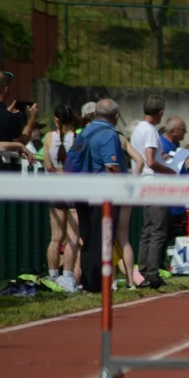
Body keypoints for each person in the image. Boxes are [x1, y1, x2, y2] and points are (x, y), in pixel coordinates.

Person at [72, 99, 127, 293]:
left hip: (81, 191)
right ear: (116, 117)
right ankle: (97, 284)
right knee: (102, 238)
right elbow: (111, 165)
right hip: (102, 193)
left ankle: (88, 282)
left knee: (87, 237)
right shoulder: (109, 134)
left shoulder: (85, 132)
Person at [130, 95, 176, 289]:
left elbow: (148, 156)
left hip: (143, 183)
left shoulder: (138, 129)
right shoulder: (150, 131)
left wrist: (161, 157)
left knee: (148, 229)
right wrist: (169, 169)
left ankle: (144, 271)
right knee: (157, 230)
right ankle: (151, 273)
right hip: (153, 184)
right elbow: (149, 161)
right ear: (161, 113)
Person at [42, 105, 81, 282]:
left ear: (56, 120)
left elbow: (48, 166)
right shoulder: (79, 138)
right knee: (73, 237)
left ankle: (52, 276)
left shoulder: (49, 137)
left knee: (56, 238)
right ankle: (68, 276)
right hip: (73, 190)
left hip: (55, 189)